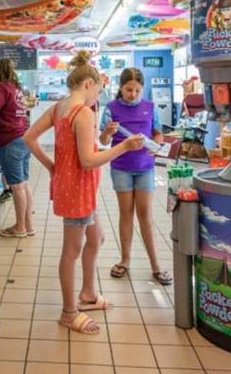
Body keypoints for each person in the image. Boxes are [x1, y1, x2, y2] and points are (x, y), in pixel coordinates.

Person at [24, 51, 145, 335]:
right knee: (71, 251)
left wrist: (52, 167)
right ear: (89, 84)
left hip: (78, 188)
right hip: (78, 190)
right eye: (98, 92)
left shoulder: (59, 108)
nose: (97, 98)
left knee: (97, 237)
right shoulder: (83, 113)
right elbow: (88, 160)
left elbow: (29, 137)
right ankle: (69, 312)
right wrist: (124, 147)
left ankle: (88, 293)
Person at [99, 68, 171, 285]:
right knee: (126, 214)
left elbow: (158, 133)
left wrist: (156, 145)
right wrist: (108, 132)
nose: (133, 94)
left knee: (146, 216)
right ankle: (125, 260)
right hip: (121, 167)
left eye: (137, 90)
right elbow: (103, 141)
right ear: (121, 88)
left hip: (145, 167)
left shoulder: (150, 107)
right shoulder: (111, 108)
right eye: (129, 90)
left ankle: (156, 265)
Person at [0, 59, 33, 237]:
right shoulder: (16, 88)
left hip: (10, 140)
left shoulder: (0, 87)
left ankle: (20, 227)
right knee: (24, 184)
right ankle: (28, 225)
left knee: (17, 187)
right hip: (24, 138)